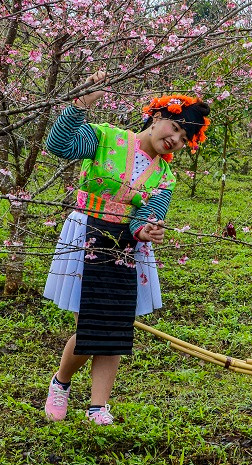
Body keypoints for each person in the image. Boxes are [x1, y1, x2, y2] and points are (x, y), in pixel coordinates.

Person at [42, 70, 211, 425]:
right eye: (175, 128)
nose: (176, 139)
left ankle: (98, 405)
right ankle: (62, 382)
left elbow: (146, 216)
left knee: (117, 324)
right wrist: (78, 107)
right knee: (91, 321)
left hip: (126, 245)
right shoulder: (106, 138)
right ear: (158, 117)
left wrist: (145, 231)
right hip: (87, 230)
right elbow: (58, 146)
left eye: (184, 138)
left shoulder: (165, 177)